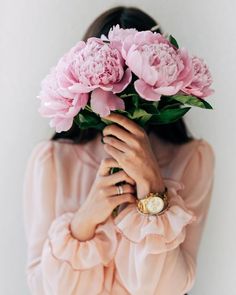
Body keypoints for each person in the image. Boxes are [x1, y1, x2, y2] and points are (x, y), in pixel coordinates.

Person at [22, 6, 215, 295]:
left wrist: (152, 186)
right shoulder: (50, 161)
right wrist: (86, 218)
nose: (122, 102)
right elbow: (43, 287)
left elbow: (168, 288)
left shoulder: (193, 158)